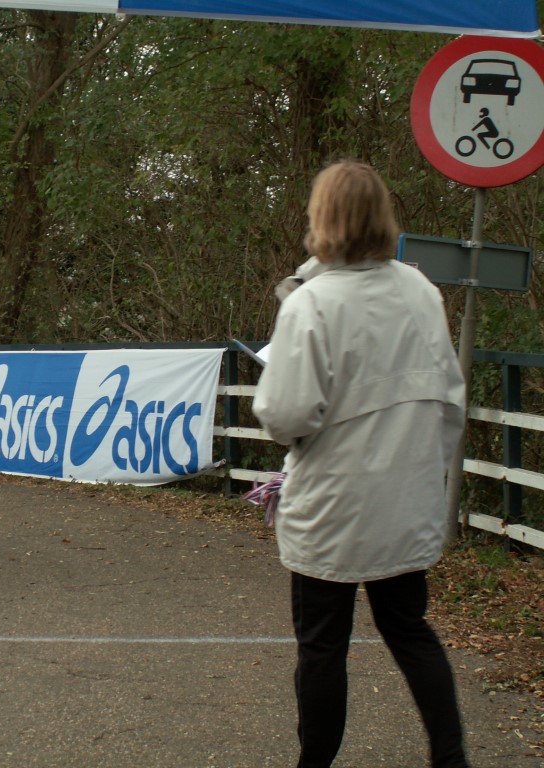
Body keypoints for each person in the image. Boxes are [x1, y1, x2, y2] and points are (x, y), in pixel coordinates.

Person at [252, 160, 469, 768]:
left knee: (323, 646)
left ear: (322, 217)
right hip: (405, 495)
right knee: (410, 631)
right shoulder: (421, 292)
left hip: (334, 503)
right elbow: (448, 400)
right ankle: (451, 757)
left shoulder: (312, 302)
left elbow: (286, 413)